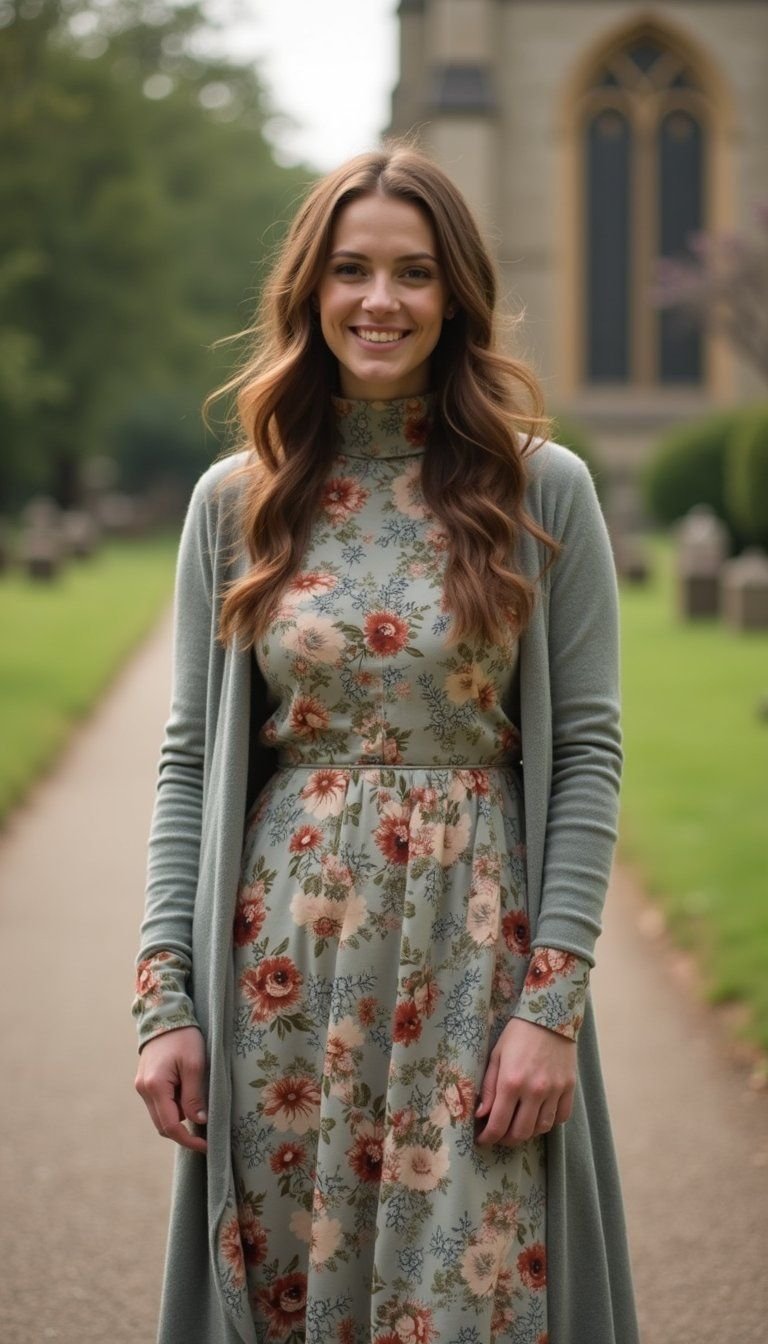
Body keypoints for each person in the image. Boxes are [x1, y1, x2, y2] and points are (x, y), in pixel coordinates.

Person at [133, 142, 639, 1344]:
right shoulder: (239, 501)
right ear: (309, 290)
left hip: (474, 960)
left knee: (470, 1293)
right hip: (283, 971)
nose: (380, 301)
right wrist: (165, 1001)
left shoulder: (540, 490)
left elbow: (590, 754)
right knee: (289, 1291)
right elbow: (189, 756)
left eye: (413, 273)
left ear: (455, 296)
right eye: (352, 270)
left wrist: (550, 1004)